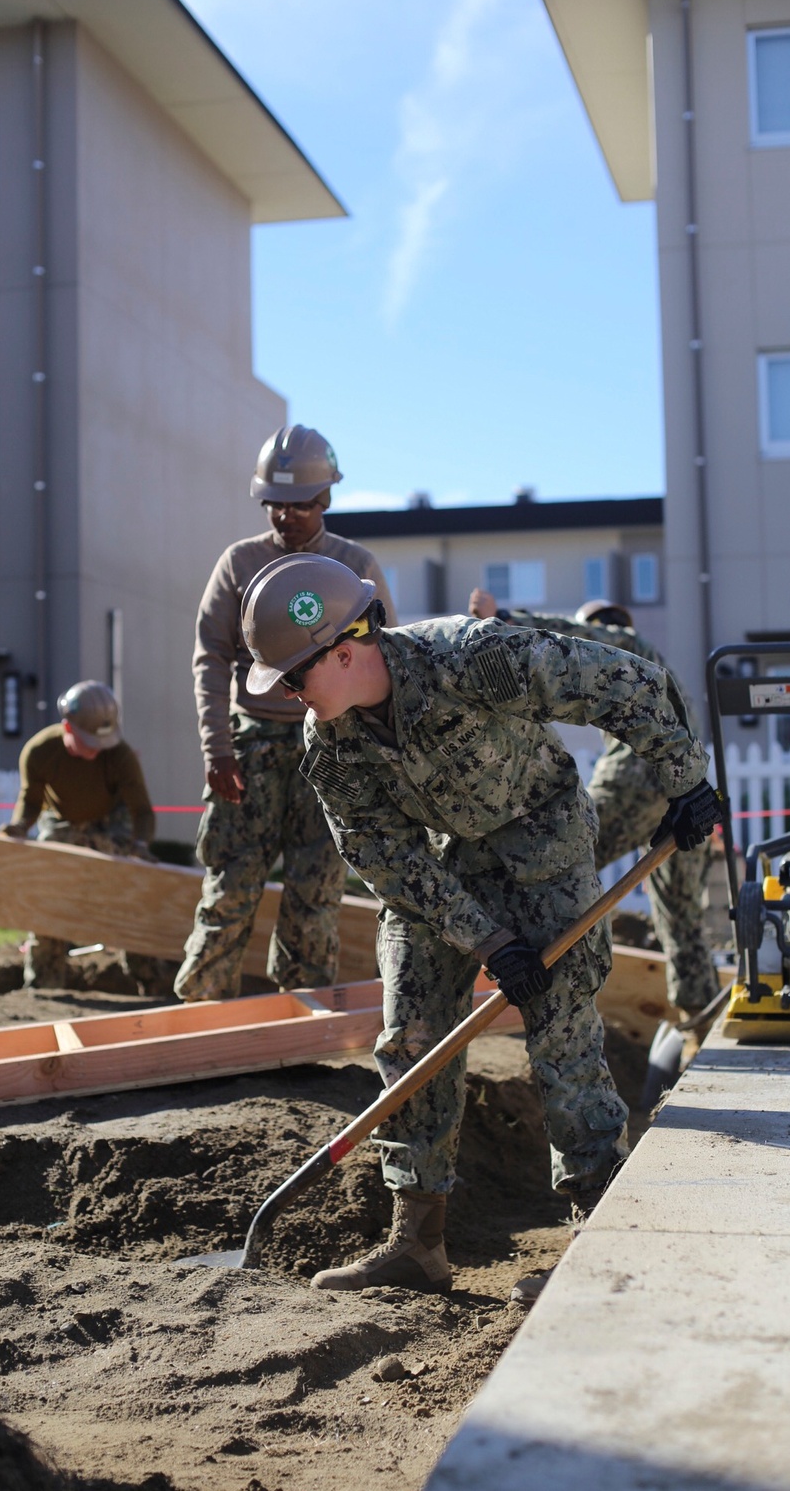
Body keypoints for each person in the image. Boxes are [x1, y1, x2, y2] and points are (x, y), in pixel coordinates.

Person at [240, 553, 720, 1294]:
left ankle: (597, 1231)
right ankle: (417, 1244)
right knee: (411, 1032)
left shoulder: (472, 657)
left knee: (561, 1023)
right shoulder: (329, 744)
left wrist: (685, 782)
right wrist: (488, 940)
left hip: (541, 847)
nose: (294, 699)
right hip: (442, 871)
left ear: (343, 650)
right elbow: (382, 855)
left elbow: (626, 681)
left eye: (296, 679)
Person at [174, 426, 396, 1003]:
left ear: (325, 501)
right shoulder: (239, 563)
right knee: (230, 884)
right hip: (251, 745)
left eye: (299, 504)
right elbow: (210, 657)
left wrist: (380, 757)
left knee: (315, 889)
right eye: (274, 502)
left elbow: (388, 661)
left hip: (332, 747)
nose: (285, 515)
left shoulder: (354, 566)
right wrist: (217, 748)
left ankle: (302, 1019)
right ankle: (202, 1010)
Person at [468, 591, 719, 1016]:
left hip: (635, 785)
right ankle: (698, 1013)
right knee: (682, 911)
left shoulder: (625, 646)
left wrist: (506, 617)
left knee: (558, 872)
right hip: (685, 792)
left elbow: (568, 635)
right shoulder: (662, 673)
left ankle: (536, 980)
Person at [2, 680, 159, 992]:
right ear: (67, 728)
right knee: (48, 895)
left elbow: (142, 811)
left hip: (110, 823)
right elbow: (31, 800)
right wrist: (19, 826)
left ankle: (150, 978)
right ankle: (44, 986)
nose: (96, 751)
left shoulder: (119, 755)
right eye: (88, 743)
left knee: (132, 894)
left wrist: (139, 847)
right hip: (62, 822)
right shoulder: (39, 751)